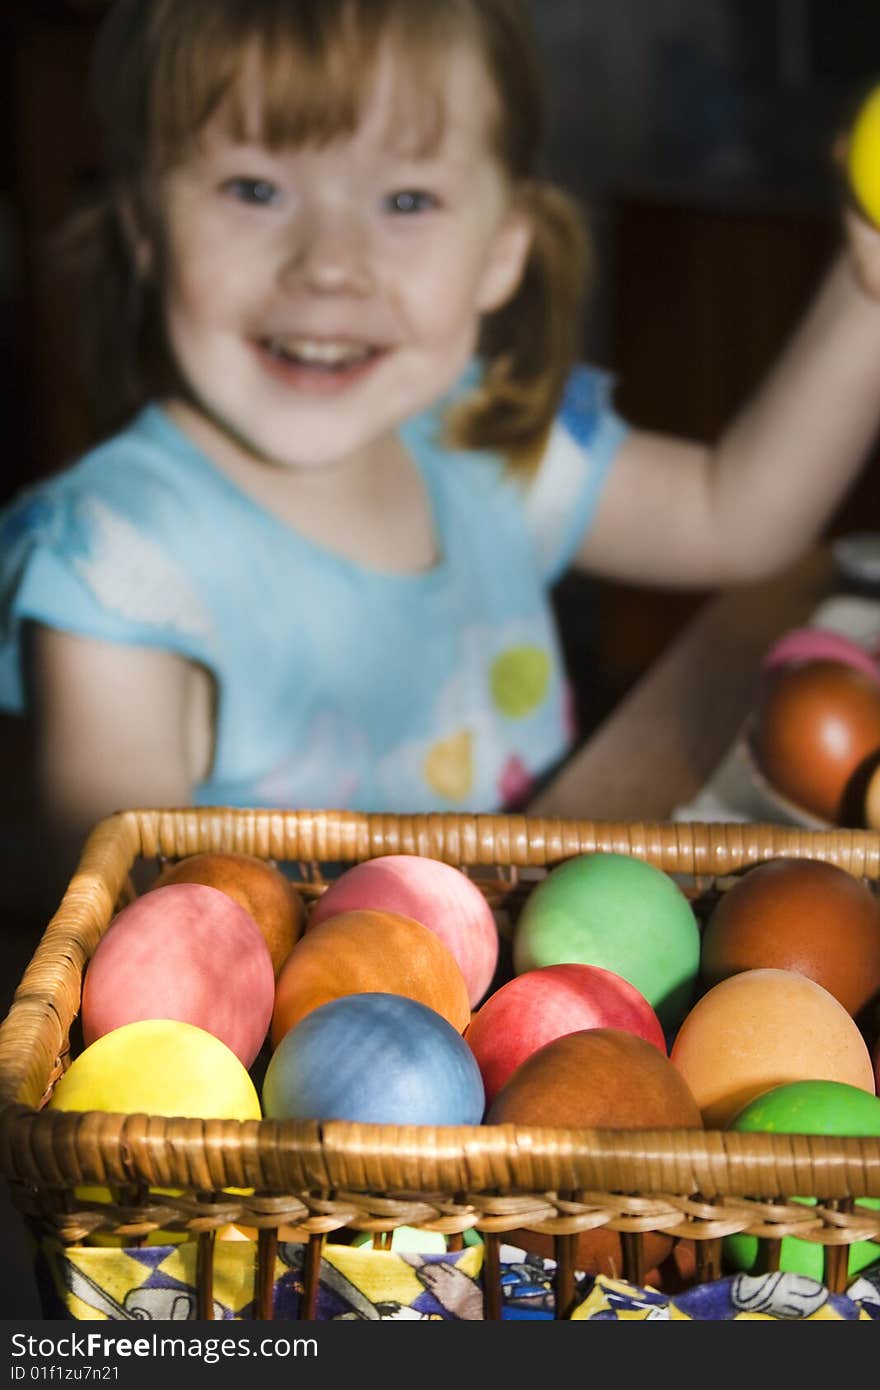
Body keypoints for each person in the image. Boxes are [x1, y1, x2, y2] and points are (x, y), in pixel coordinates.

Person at [3, 0, 880, 891]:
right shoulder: (120, 572)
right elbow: (124, 928)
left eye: (407, 199)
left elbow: (733, 516)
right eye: (255, 188)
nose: (330, 263)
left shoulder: (478, 440)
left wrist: (868, 284)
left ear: (502, 250)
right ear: (145, 227)